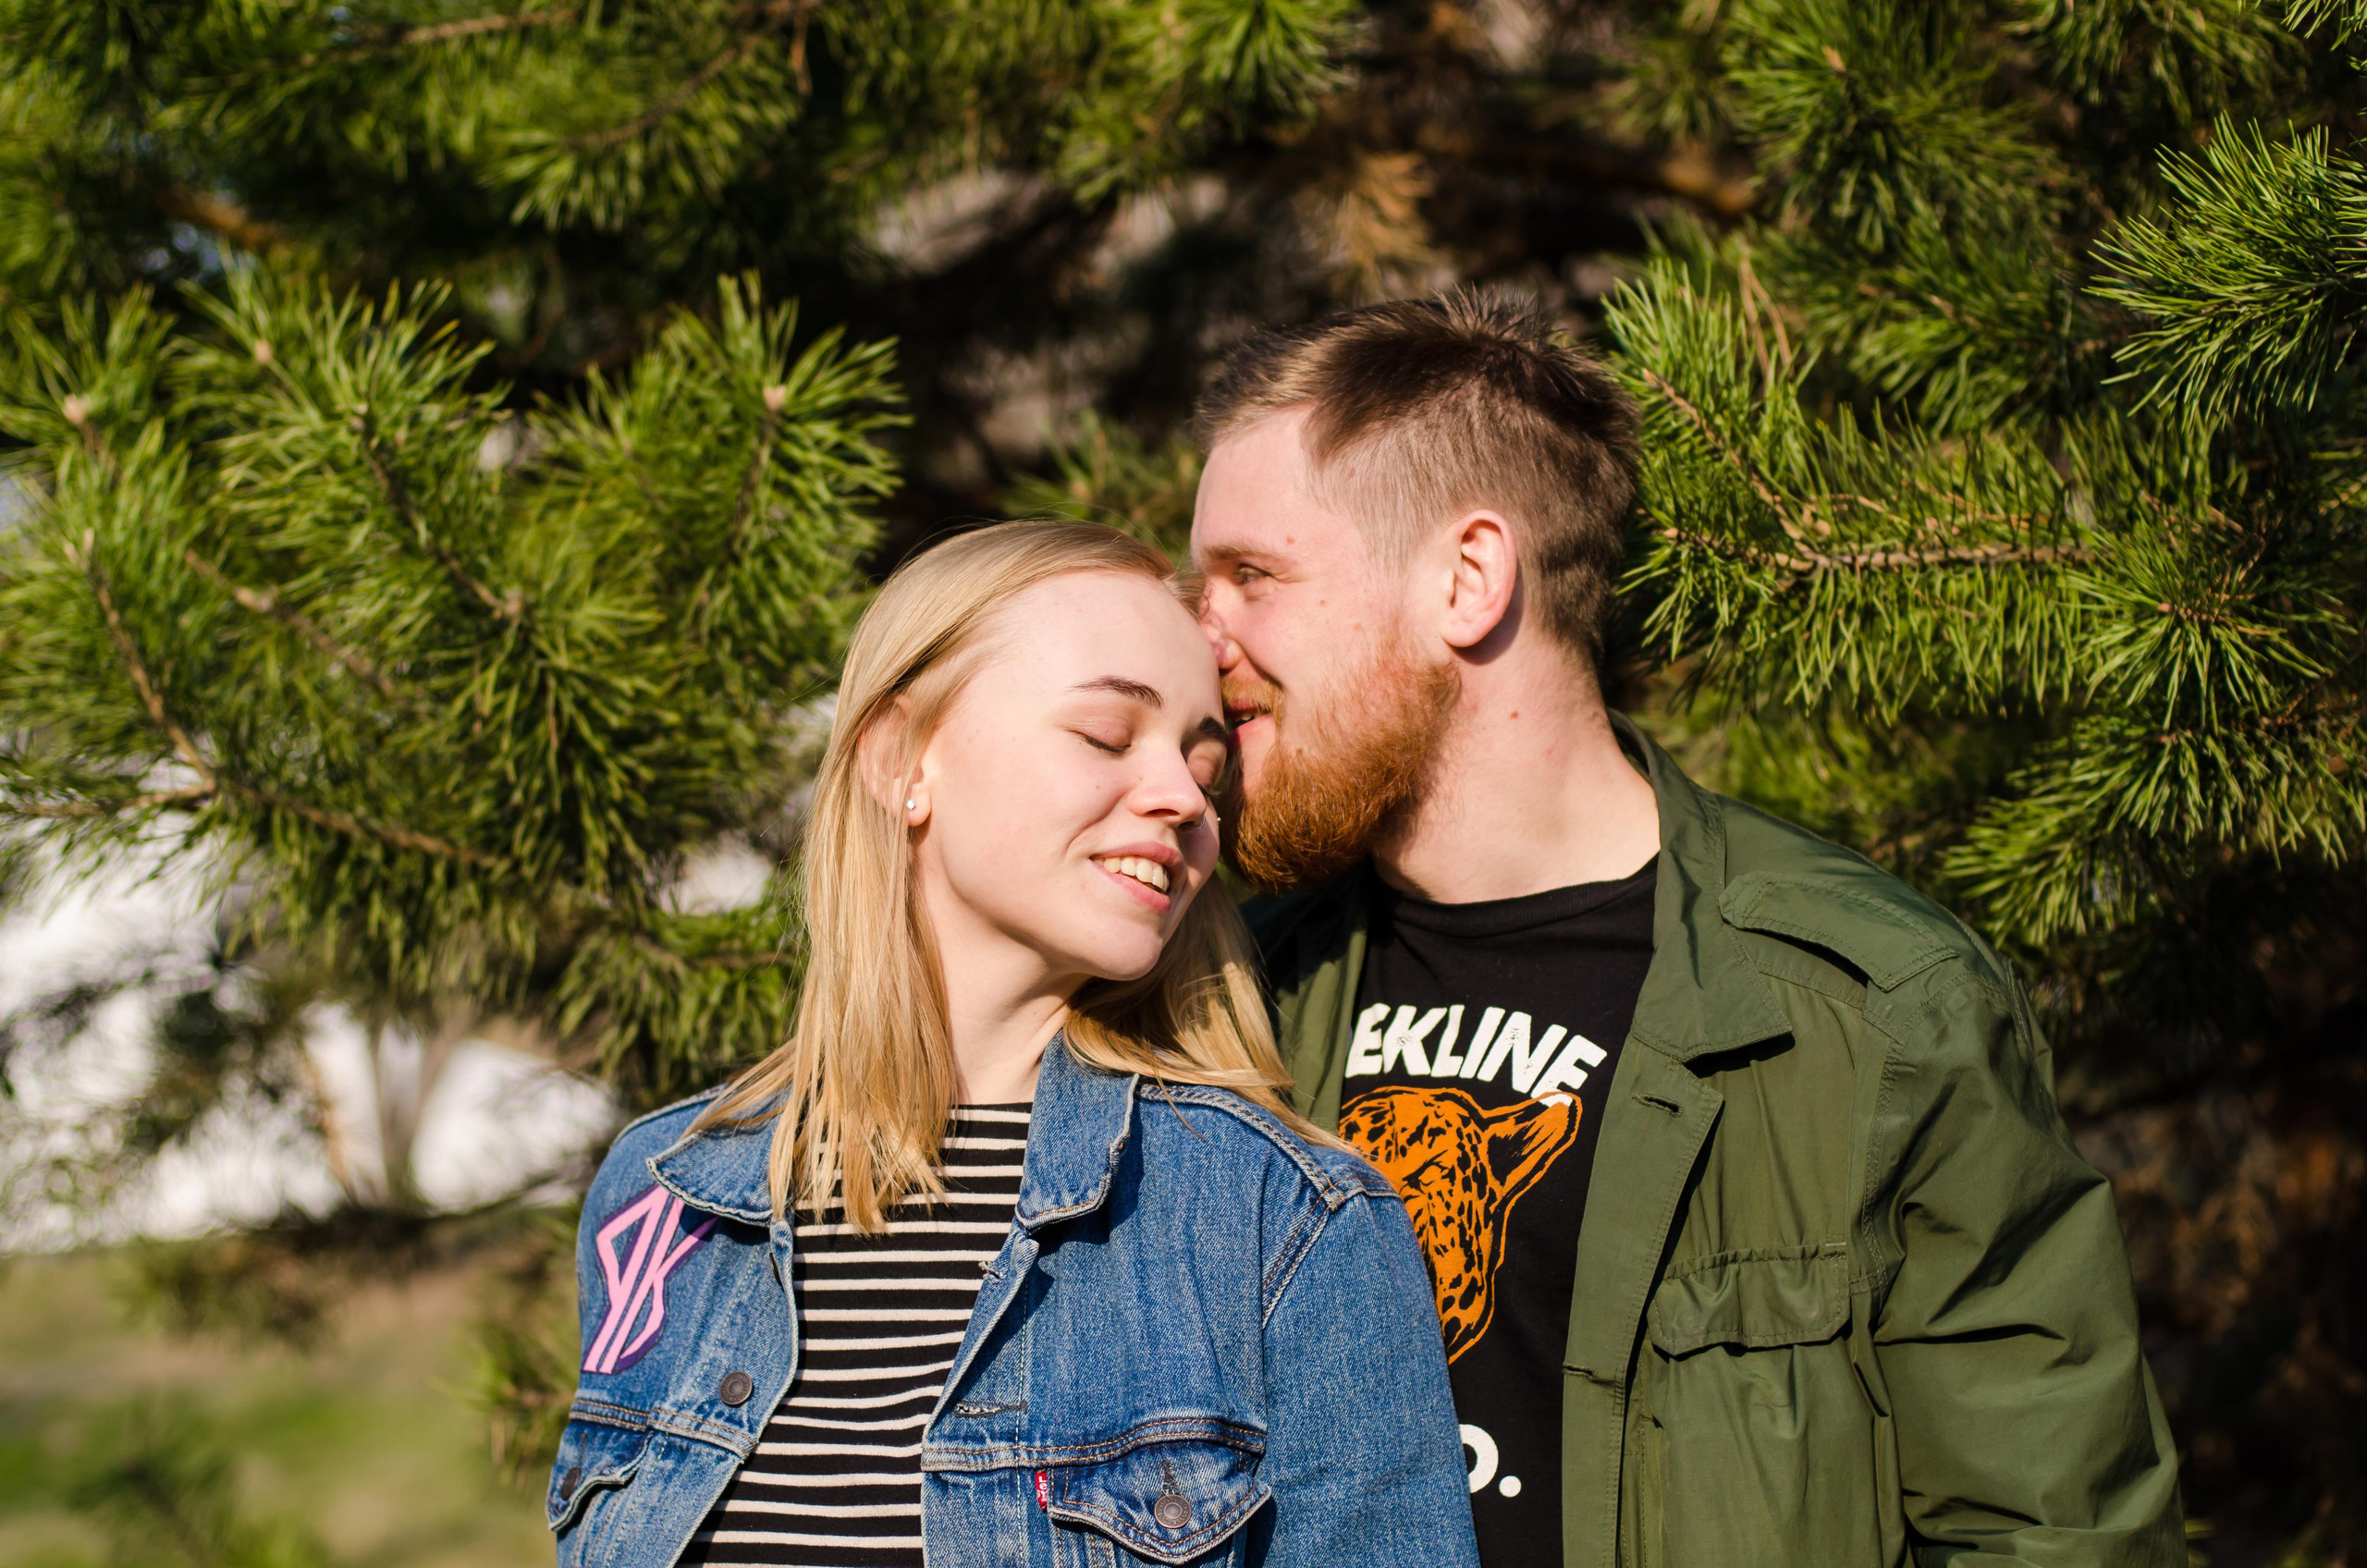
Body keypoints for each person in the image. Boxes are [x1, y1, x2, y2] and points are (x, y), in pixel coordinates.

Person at [1191, 295, 2186, 1568]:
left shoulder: (1867, 1013)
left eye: (1252, 578)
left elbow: (2055, 1535)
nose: (1200, 636)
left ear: (1467, 577)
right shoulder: (1243, 988)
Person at [546, 521, 1477, 1568]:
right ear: (901, 760)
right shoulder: (666, 1199)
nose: (1180, 797)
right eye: (1106, 734)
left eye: (1204, 767)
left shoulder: (1283, 1222)